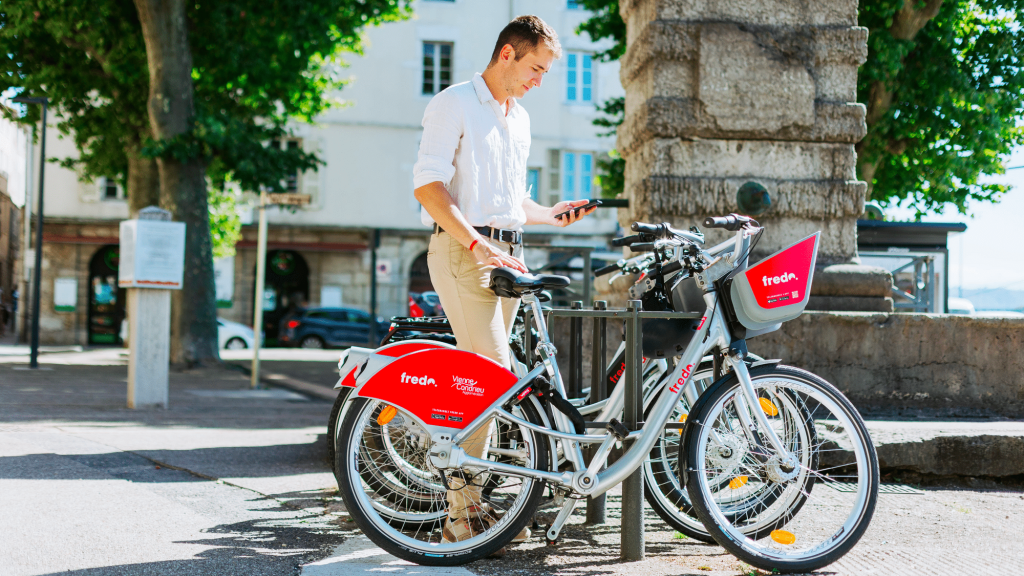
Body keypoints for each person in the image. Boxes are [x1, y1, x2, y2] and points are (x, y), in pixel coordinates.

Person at [412, 15, 597, 546]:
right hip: (464, 252)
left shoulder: (519, 119)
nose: (540, 81)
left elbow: (511, 202)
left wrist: (550, 212)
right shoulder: (454, 102)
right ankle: (460, 520)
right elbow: (428, 187)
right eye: (536, 68)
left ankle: (472, 507)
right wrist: (477, 243)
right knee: (488, 381)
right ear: (508, 55)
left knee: (498, 384)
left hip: (509, 258)